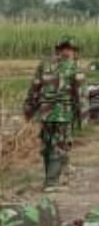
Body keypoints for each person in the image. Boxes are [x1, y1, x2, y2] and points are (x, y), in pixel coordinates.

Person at [23, 36, 85, 192]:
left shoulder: (44, 65)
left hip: (45, 113)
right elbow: (80, 95)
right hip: (63, 113)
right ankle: (52, 182)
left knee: (48, 144)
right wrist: (82, 118)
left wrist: (28, 111)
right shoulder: (75, 67)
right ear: (72, 51)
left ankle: (54, 175)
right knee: (61, 145)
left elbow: (34, 89)